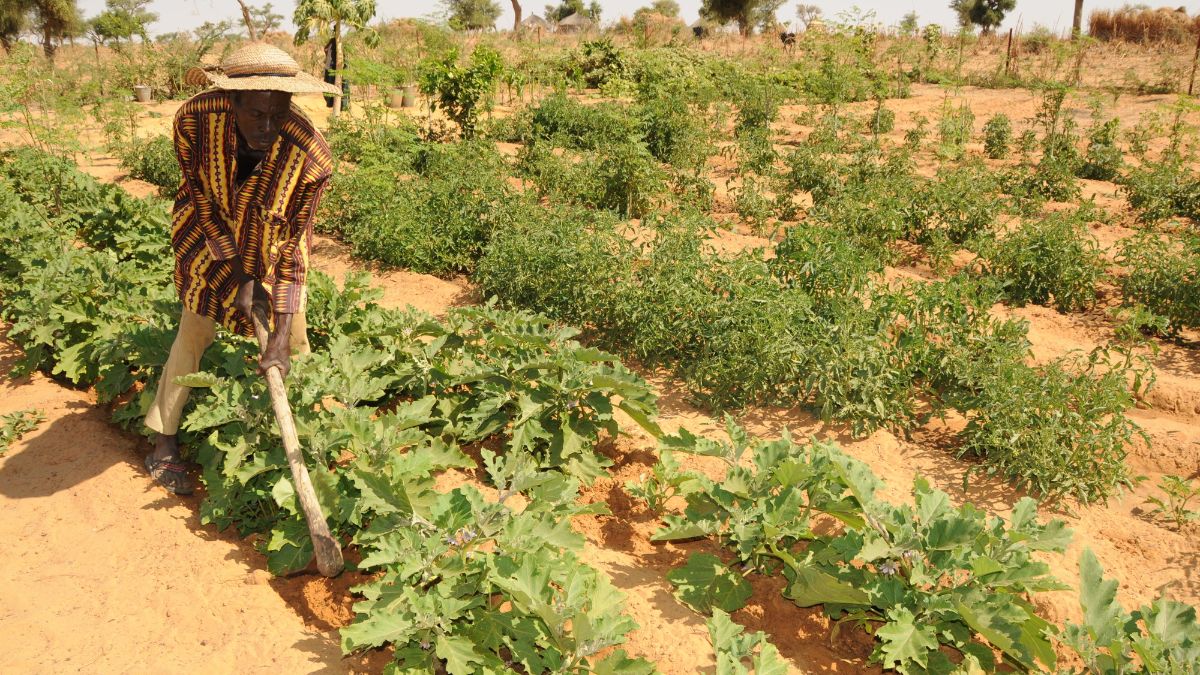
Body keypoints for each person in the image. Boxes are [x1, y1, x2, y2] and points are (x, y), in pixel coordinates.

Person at [142, 43, 339, 495]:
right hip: (206, 236)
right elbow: (200, 198)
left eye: (278, 114)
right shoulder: (194, 121)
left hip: (267, 242)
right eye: (256, 114)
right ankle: (163, 442)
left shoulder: (310, 158)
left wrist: (278, 333)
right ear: (231, 101)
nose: (268, 127)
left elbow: (295, 248)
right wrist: (238, 275)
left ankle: (313, 435)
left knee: (293, 338)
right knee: (195, 327)